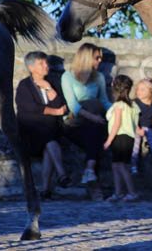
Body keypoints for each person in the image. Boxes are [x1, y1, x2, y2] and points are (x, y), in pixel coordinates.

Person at [15, 51, 70, 199]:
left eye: (46, 63)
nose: (46, 66)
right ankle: (61, 174)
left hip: (49, 133)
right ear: (32, 67)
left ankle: (46, 189)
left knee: (50, 144)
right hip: (31, 134)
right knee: (50, 139)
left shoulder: (52, 82)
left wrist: (48, 87)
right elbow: (29, 109)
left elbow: (62, 106)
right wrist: (55, 112)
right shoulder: (24, 86)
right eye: (41, 63)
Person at [60, 43, 111, 188]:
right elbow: (73, 105)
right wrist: (93, 117)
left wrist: (119, 111)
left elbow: (104, 101)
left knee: (94, 132)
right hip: (74, 121)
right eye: (97, 57)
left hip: (93, 121)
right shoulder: (68, 76)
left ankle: (89, 171)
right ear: (86, 58)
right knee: (96, 136)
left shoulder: (99, 77)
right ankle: (92, 178)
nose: (100, 60)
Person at [103, 74, 140, 202]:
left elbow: (117, 123)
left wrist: (108, 141)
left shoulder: (119, 105)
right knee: (116, 165)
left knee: (122, 166)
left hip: (119, 137)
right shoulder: (134, 106)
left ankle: (132, 192)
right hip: (129, 138)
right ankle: (118, 192)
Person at [130, 78, 152, 174]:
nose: (139, 92)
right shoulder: (135, 103)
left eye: (142, 89)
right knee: (135, 146)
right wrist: (137, 129)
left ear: (150, 91)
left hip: (148, 127)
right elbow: (132, 118)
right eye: (138, 89)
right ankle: (133, 165)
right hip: (137, 127)